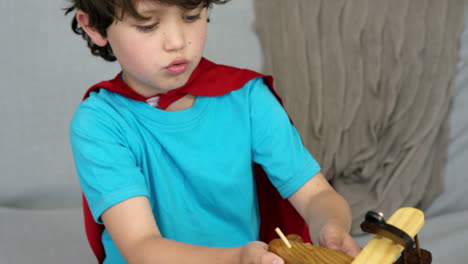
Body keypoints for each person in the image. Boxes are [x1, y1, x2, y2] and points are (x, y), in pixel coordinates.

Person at [66, 0, 361, 263]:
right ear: (94, 27)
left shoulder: (247, 98)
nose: (177, 42)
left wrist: (330, 226)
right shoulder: (99, 122)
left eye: (192, 16)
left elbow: (315, 196)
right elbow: (141, 246)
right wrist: (238, 258)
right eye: (149, 25)